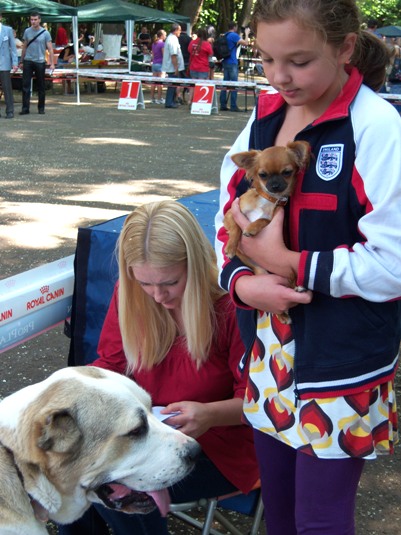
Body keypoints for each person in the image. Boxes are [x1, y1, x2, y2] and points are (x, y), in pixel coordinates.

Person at [215, 0, 401, 534]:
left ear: (344, 48)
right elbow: (226, 217)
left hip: (342, 361)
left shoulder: (376, 126)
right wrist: (243, 283)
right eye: (266, 59)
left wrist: (288, 263)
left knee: (320, 520)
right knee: (279, 508)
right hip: (268, 352)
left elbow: (391, 264)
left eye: (297, 60)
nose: (279, 77)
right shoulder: (265, 114)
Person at [59, 200, 259, 535]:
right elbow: (110, 367)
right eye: (145, 283)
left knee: (119, 484)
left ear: (195, 265)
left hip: (220, 442)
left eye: (169, 283)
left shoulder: (230, 306)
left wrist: (208, 414)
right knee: (70, 466)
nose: (156, 295)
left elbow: (260, 402)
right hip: (148, 432)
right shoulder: (132, 294)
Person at [19, 11, 54, 115]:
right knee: (25, 86)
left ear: (39, 20)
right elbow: (24, 46)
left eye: (35, 19)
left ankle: (41, 108)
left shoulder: (45, 33)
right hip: (28, 61)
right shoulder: (27, 31)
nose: (33, 21)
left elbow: (50, 49)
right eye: (31, 20)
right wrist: (21, 60)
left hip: (40, 61)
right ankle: (25, 108)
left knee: (41, 86)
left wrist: (52, 63)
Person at [219, 21, 250, 112]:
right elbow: (246, 43)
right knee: (234, 84)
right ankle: (233, 105)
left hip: (225, 61)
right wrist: (246, 34)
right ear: (235, 27)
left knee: (225, 83)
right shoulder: (234, 36)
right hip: (232, 61)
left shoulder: (225, 35)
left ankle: (223, 104)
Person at [161, 23, 185, 108]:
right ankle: (169, 103)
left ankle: (171, 101)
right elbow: (173, 55)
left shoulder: (172, 38)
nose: (180, 32)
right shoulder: (172, 40)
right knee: (172, 85)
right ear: (175, 30)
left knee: (173, 85)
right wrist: (176, 68)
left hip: (172, 66)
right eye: (179, 30)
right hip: (172, 67)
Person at [188, 27, 214, 104]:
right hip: (203, 68)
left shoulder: (192, 42)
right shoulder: (207, 44)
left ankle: (190, 101)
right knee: (201, 86)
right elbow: (211, 54)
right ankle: (198, 102)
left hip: (193, 67)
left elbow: (189, 51)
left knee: (193, 86)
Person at [0, 14, 18, 119]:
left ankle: (10, 110)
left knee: (7, 88)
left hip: (4, 63)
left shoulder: (8, 30)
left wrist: (15, 62)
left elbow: (13, 48)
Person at [150, 29, 166, 104]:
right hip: (160, 64)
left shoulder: (154, 44)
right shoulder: (162, 44)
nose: (165, 36)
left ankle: (152, 98)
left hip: (154, 64)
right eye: (165, 35)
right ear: (162, 36)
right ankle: (159, 98)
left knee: (154, 82)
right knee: (160, 82)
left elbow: (153, 55)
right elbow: (164, 55)